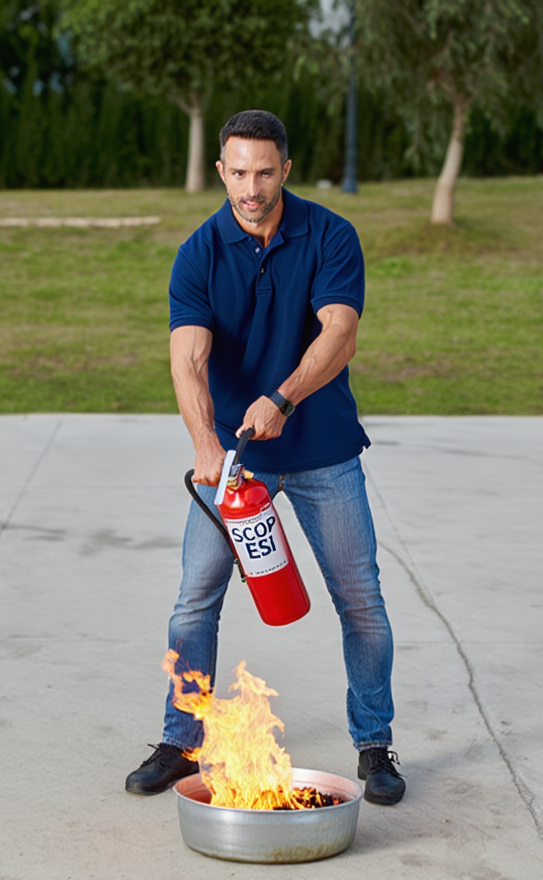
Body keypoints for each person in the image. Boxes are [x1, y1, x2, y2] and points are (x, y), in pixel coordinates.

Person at [124, 110, 405, 805]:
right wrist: (205, 447)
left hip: (323, 451)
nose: (251, 187)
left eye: (265, 171)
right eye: (239, 172)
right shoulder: (199, 252)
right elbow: (188, 359)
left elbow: (339, 333)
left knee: (359, 599)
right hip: (236, 462)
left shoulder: (330, 235)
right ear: (222, 170)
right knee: (195, 600)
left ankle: (375, 746)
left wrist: (281, 398)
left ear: (286, 169)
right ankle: (180, 739)